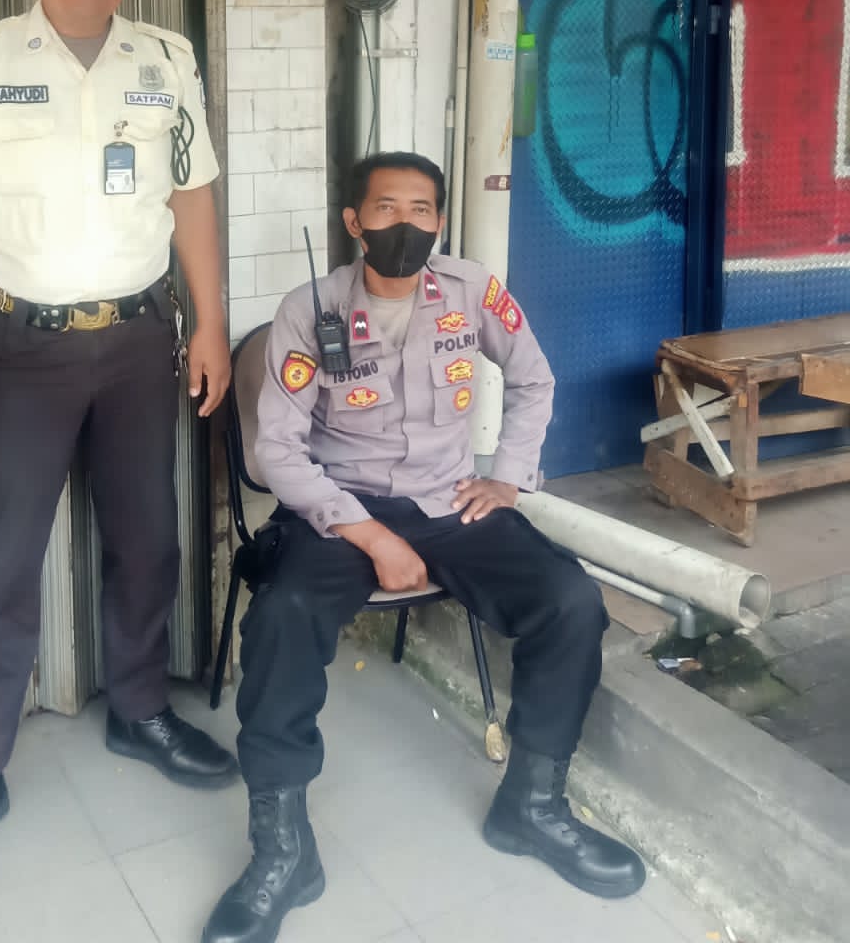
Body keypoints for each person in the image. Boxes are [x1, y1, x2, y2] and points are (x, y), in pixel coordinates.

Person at [0, 0, 237, 899]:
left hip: (139, 340)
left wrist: (212, 322)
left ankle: (140, 709)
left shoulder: (167, 60)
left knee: (148, 537)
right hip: (18, 348)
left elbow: (193, 198)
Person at [203, 151, 644, 943]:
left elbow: (534, 380)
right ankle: (282, 848)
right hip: (343, 510)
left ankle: (532, 806)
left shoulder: (472, 292)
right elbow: (277, 451)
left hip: (449, 501)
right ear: (354, 221)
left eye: (420, 210)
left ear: (439, 221)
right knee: (281, 617)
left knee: (570, 602)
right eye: (385, 209)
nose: (404, 224)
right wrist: (370, 535)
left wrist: (508, 478)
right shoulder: (309, 309)